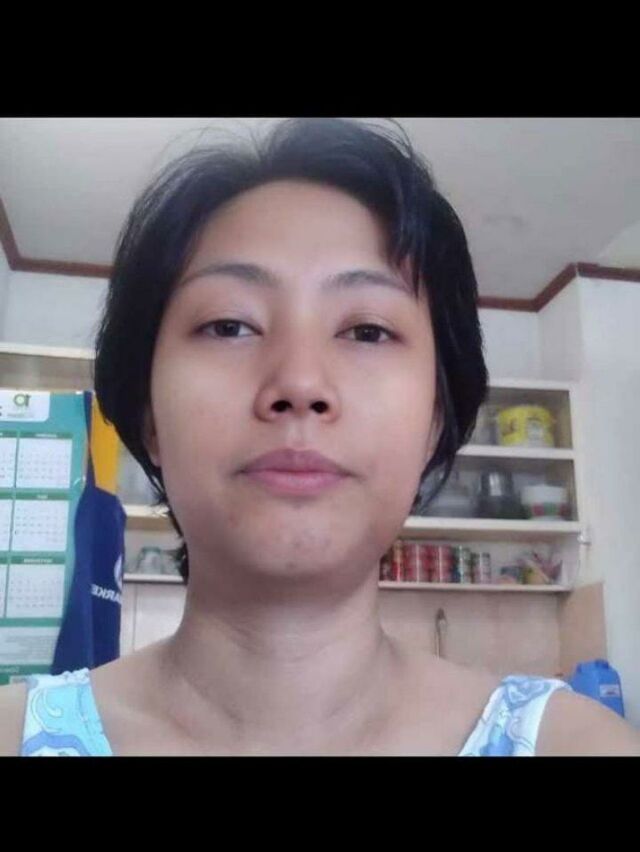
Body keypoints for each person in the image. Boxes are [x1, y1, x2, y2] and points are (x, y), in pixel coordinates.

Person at [1, 118, 639, 756]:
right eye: (229, 325)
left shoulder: (573, 743)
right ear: (148, 413)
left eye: (367, 331)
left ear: (434, 421)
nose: (300, 383)